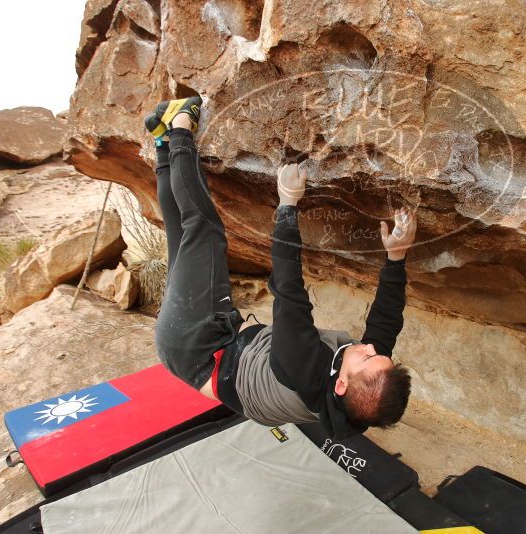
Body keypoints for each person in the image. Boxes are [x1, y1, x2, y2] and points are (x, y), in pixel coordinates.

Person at [146, 97, 415, 438]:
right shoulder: (367, 389)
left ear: (342, 384)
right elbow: (386, 323)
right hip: (222, 346)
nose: (370, 348)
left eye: (366, 356)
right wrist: (397, 256)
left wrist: (288, 202)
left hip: (195, 341)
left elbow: (288, 288)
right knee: (182, 236)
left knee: (203, 227)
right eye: (378, 355)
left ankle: (180, 126)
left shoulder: (304, 367)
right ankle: (161, 143)